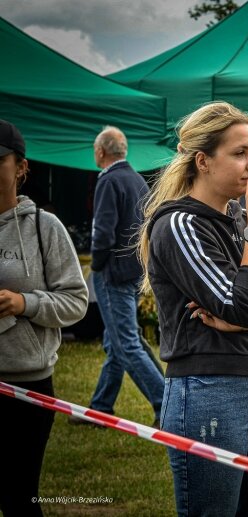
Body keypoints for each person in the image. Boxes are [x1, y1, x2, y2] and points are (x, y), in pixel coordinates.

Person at [138, 101, 248, 516]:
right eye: (239, 153)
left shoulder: (246, 221)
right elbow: (242, 303)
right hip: (210, 391)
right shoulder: (180, 224)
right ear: (203, 161)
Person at [0, 120, 89, 516]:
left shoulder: (44, 227)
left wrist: (24, 303)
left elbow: (75, 303)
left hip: (27, 387)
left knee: (21, 498)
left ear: (21, 167)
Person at [72, 126, 165, 428]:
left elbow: (103, 230)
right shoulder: (137, 179)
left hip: (113, 272)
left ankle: (165, 404)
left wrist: (97, 265)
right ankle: (100, 408)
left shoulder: (108, 181)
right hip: (134, 269)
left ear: (100, 152)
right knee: (119, 341)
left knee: (124, 343)